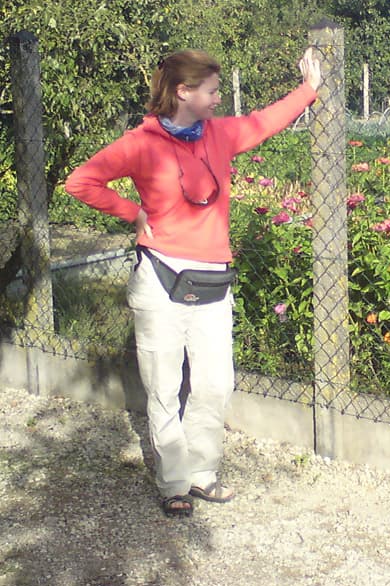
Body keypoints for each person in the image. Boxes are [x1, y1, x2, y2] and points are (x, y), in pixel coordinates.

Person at [65, 47, 322, 517]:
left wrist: (309, 89)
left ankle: (203, 473)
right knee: (164, 386)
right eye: (211, 91)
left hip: (211, 282)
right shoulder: (140, 143)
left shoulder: (219, 135)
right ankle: (175, 482)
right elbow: (81, 182)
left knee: (215, 383)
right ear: (183, 93)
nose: (218, 99)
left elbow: (265, 122)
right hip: (159, 280)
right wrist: (133, 212)